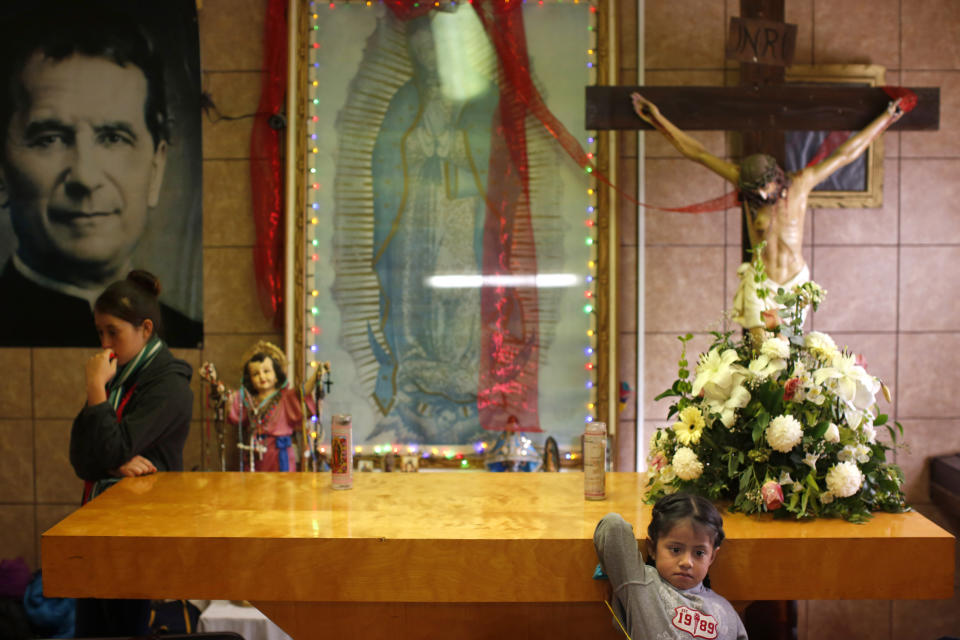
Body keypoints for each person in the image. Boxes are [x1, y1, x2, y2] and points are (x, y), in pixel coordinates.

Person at [0, 3, 202, 347]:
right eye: (49, 138)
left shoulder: (186, 337)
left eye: (113, 138)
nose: (85, 177)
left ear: (156, 168)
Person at [630, 92, 906, 289]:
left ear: (776, 176)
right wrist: (657, 120)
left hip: (796, 280)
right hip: (761, 282)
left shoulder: (801, 183)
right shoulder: (744, 182)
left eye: (764, 187)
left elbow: (846, 154)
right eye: (754, 191)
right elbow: (698, 153)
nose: (761, 195)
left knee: (792, 358)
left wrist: (885, 119)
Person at [68, 269, 193, 637]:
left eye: (113, 332)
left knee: (125, 630)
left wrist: (95, 389)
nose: (105, 343)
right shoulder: (118, 378)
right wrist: (112, 461)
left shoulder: (168, 384)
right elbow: (79, 456)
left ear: (146, 330)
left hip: (141, 537)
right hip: (100, 529)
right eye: (100, 332)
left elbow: (111, 446)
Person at [594, 493, 748, 640]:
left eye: (699, 553)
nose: (687, 562)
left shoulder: (726, 610)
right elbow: (613, 526)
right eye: (675, 549)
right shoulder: (640, 584)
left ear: (712, 556)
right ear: (652, 548)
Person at [228, 341, 318, 472]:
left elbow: (303, 392)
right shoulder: (248, 400)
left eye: (266, 371)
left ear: (277, 375)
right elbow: (232, 408)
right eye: (255, 374)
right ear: (249, 379)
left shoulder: (286, 398)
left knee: (281, 488)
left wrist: (315, 377)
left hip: (279, 454)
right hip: (254, 454)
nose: (262, 377)